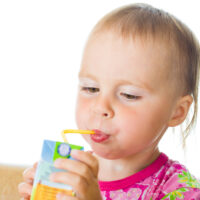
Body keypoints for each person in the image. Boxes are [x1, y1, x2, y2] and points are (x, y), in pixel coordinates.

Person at [18, 3, 200, 200]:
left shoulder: (180, 191)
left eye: (128, 95)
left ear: (177, 111)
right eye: (91, 88)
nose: (100, 107)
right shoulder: (71, 174)